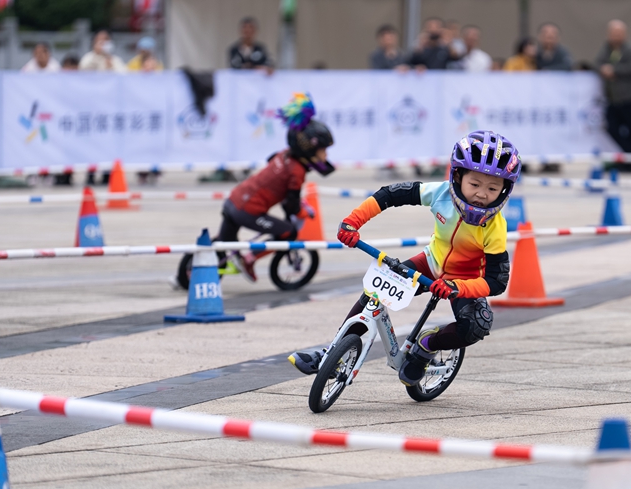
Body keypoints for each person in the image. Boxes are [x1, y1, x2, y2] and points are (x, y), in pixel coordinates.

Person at [289, 131, 519, 388]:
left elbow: (496, 281)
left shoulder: (496, 227)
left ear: (504, 190)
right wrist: (353, 222)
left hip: (464, 281)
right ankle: (331, 354)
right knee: (373, 293)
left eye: (492, 188)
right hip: (430, 265)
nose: (482, 194)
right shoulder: (440, 193)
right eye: (474, 184)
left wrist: (458, 287)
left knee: (477, 325)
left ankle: (426, 346)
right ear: (457, 176)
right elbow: (391, 194)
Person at [217, 94, 335, 282]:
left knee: (223, 243)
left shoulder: (283, 155)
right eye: (323, 150)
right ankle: (249, 258)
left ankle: (190, 273)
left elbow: (278, 179)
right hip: (247, 211)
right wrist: (301, 211)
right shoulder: (297, 171)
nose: (325, 155)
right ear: (308, 148)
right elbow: (291, 205)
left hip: (233, 200)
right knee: (289, 232)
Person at [595, 20, 631, 165]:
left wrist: (613, 70)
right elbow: (597, 63)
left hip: (630, 97)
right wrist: (603, 70)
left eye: (619, 33)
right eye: (613, 33)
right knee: (611, 128)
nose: (616, 36)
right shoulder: (606, 49)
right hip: (613, 98)